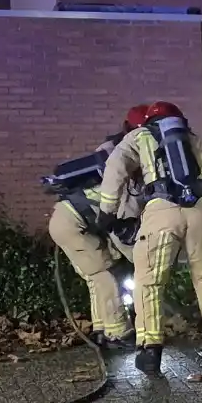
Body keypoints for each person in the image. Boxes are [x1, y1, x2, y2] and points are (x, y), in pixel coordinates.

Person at [96, 101, 202, 373]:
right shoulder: (195, 140)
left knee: (149, 282)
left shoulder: (139, 136)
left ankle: (150, 350)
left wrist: (107, 212)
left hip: (162, 209)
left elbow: (115, 168)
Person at [47, 105, 148, 350]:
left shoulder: (112, 159)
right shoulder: (124, 184)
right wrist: (138, 260)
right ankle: (120, 334)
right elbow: (119, 226)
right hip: (72, 225)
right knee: (105, 277)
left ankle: (102, 330)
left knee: (97, 278)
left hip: (69, 221)